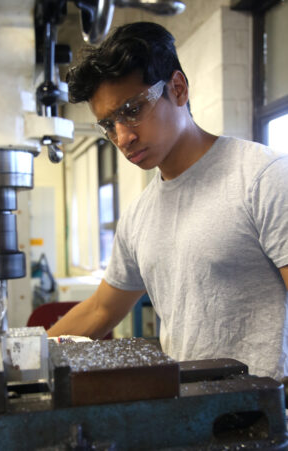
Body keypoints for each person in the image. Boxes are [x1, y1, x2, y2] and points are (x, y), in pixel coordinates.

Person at [47, 21, 288, 380]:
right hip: (187, 410)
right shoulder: (138, 216)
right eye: (109, 124)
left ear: (177, 88)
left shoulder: (261, 176)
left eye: (132, 109)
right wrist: (25, 357)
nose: (123, 137)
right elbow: (101, 309)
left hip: (266, 419)